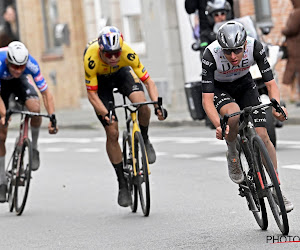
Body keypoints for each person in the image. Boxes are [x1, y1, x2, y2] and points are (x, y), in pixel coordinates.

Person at [201, 21, 294, 212]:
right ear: (221, 47)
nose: (233, 56)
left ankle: (276, 189)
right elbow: (207, 100)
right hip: (220, 89)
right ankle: (233, 151)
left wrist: (276, 105)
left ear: (244, 44)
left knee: (263, 135)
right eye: (227, 52)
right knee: (233, 116)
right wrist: (219, 125)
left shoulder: (255, 46)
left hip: (245, 84)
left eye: (237, 50)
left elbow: (271, 84)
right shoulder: (210, 55)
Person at [83, 26, 167, 208]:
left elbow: (148, 81)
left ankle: (144, 138)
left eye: (116, 53)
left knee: (142, 104)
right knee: (112, 131)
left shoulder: (127, 53)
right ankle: (122, 182)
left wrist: (157, 104)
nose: (113, 57)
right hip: (101, 82)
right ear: (100, 50)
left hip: (122, 75)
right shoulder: (90, 58)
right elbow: (92, 95)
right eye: (108, 54)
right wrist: (105, 114)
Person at [0, 41, 58, 202]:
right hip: (1, 86)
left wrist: (52, 117)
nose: (18, 70)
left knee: (34, 108)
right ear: (8, 62)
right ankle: (2, 182)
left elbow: (46, 93)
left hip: (20, 84)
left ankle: (34, 146)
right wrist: (4, 114)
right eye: (14, 67)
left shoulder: (31, 64)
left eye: (21, 67)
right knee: (1, 134)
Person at [281, 0, 300, 105]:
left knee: (294, 73)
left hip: (296, 48)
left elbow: (291, 29)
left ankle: (294, 97)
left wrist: (283, 30)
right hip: (296, 47)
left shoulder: (297, 13)